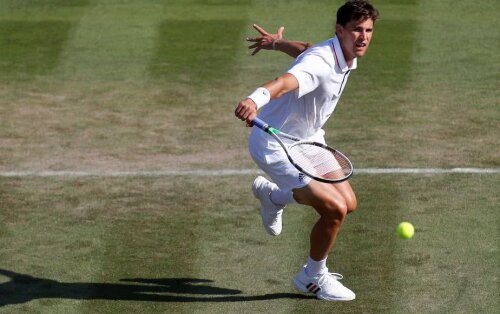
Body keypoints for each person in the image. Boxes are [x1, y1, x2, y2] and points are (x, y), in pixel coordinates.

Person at [234, 0, 379, 301]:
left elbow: (307, 48)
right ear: (340, 31)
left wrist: (277, 43)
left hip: (309, 139)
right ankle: (312, 277)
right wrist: (254, 100)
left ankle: (273, 197)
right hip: (276, 145)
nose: (363, 37)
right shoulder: (322, 62)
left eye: (367, 30)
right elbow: (285, 82)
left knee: (348, 203)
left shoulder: (343, 53)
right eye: (356, 30)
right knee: (334, 210)